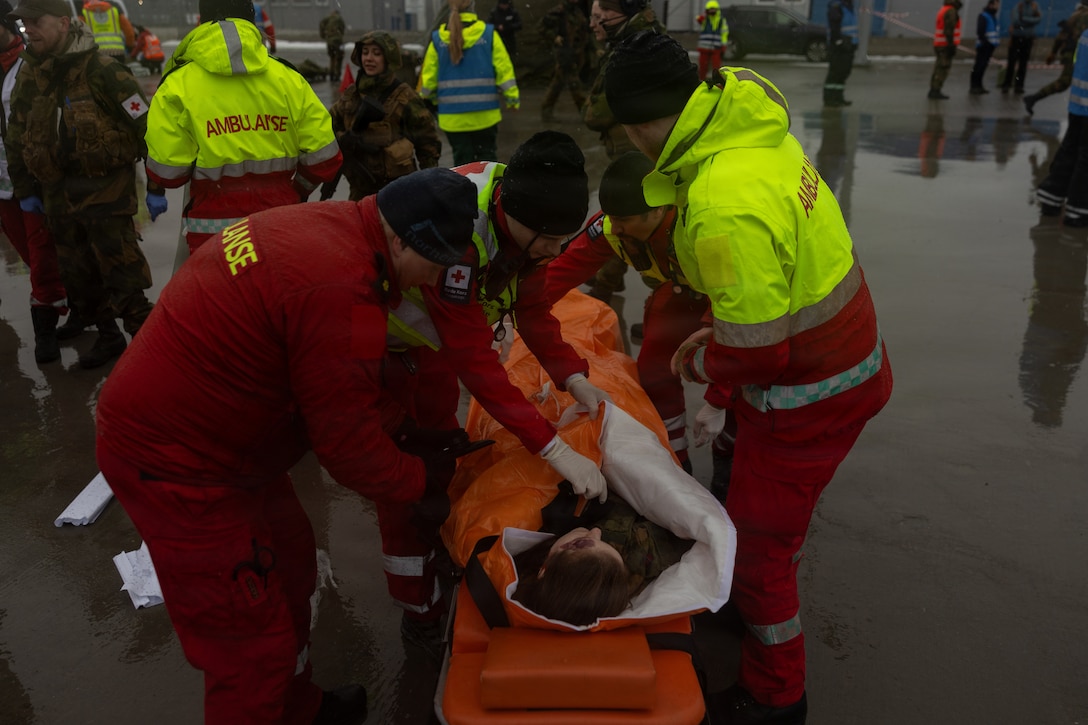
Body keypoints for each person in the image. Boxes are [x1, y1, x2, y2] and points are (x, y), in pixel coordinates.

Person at [94, 167, 480, 724]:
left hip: (231, 445)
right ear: (401, 239)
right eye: (435, 264)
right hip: (177, 464)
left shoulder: (349, 241)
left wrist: (405, 429)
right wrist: (422, 483)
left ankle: (296, 709)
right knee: (248, 644)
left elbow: (355, 378)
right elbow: (345, 447)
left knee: (293, 566)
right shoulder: (340, 286)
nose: (433, 280)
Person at [604, 31, 893, 723]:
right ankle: (742, 610)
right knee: (752, 532)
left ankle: (775, 696)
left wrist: (702, 359)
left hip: (809, 397)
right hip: (842, 364)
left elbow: (759, 353)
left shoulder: (721, 204)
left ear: (640, 126)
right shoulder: (744, 123)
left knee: (764, 559)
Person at [380, 131, 613, 643]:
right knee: (403, 478)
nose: (556, 252)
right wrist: (552, 448)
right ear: (514, 218)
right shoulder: (453, 232)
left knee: (444, 449)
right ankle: (419, 611)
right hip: (385, 351)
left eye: (562, 240)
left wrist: (571, 374)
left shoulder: (525, 213)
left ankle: (439, 542)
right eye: (549, 241)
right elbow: (477, 363)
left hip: (432, 347)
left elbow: (531, 307)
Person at [545, 151, 736, 487]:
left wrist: (718, 399)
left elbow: (740, 311)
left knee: (744, 379)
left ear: (660, 210)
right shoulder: (614, 226)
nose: (614, 228)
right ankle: (676, 463)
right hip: (680, 291)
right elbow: (558, 273)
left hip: (734, 298)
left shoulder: (707, 226)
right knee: (653, 370)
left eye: (624, 220)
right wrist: (504, 311)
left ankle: (728, 455)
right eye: (612, 218)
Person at [6, 0, 156, 369]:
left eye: (35, 22)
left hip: (106, 201)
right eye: (23, 24)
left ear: (62, 22)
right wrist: (25, 191)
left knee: (125, 283)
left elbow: (148, 129)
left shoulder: (104, 70)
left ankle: (155, 356)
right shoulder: (31, 73)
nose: (29, 30)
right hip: (57, 201)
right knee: (79, 280)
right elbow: (17, 134)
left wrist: (155, 188)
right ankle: (108, 338)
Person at [144, 0, 342, 254]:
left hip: (212, 236)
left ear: (202, 22)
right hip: (280, 226)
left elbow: (168, 173)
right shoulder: (289, 78)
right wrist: (296, 189)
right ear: (252, 21)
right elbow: (325, 159)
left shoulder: (177, 84)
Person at [580, 0, 664, 302]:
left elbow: (598, 114)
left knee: (636, 226)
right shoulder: (644, 39)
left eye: (599, 17)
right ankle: (610, 280)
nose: (593, 24)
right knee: (629, 222)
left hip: (637, 150)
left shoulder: (631, 49)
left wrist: (591, 107)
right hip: (638, 148)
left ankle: (667, 302)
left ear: (622, 15)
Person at [0, 0, 68, 363]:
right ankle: (66, 301)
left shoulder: (32, 65)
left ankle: (46, 330)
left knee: (41, 259)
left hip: (29, 181)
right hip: (2, 187)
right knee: (27, 254)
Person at [512, 493, 693, 626]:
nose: (597, 531)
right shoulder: (641, 559)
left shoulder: (519, 568)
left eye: (579, 543)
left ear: (544, 570)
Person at [326, 31, 440, 202]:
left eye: (376, 53)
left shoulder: (405, 97)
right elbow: (326, 127)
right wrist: (344, 139)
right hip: (359, 191)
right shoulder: (351, 95)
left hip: (399, 190)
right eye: (365, 53)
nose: (369, 58)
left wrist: (427, 185)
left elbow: (427, 143)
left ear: (388, 58)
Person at [419, 0, 519, 165]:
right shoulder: (488, 35)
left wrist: (428, 101)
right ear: (473, 7)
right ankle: (488, 191)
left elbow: (428, 81)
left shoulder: (437, 40)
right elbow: (504, 70)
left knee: (462, 164)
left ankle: (465, 190)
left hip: (452, 119)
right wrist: (512, 98)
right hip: (485, 116)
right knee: (487, 164)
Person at [1035, 28, 1088, 228]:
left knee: (1070, 150)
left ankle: (1051, 197)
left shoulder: (1085, 34)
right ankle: (1079, 210)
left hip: (1078, 105)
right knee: (1085, 159)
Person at [1024, 0, 1088, 115]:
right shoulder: (1085, 16)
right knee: (1064, 82)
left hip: (1071, 52)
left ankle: (1034, 98)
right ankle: (1033, 98)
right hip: (1075, 53)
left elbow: (1061, 36)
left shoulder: (1076, 14)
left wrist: (1053, 52)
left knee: (1068, 82)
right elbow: (1081, 37)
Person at [539, 0, 589, 122]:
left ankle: (546, 108)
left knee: (558, 82)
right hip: (564, 52)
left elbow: (585, 32)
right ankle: (586, 112)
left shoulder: (577, 12)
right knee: (574, 83)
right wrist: (554, 37)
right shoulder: (558, 12)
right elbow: (541, 27)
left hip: (576, 52)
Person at [1001, 0, 1042, 93]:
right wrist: (1030, 21)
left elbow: (1038, 19)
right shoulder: (1019, 6)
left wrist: (1023, 19)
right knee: (1011, 62)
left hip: (1028, 39)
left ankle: (1019, 86)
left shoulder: (1035, 7)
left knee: (1023, 64)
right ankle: (1007, 84)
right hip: (1016, 37)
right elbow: (1015, 21)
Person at [823, 0, 857, 107]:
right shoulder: (837, 7)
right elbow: (834, 26)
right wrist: (838, 41)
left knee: (843, 73)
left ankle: (838, 98)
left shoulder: (848, 7)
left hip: (848, 45)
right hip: (839, 46)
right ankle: (829, 99)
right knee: (835, 73)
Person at [928, 0, 962, 100]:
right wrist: (951, 44)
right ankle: (935, 89)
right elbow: (949, 29)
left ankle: (934, 89)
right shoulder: (951, 11)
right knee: (943, 68)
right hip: (945, 45)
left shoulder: (944, 9)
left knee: (939, 67)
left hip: (940, 44)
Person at [969, 0, 1000, 94]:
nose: (997, 7)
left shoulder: (992, 16)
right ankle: (974, 86)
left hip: (990, 45)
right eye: (996, 4)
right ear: (991, 5)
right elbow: (980, 31)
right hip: (984, 45)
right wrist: (985, 42)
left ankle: (979, 85)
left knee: (983, 66)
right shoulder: (984, 16)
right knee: (979, 66)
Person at [695, 0, 728, 83]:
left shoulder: (721, 20)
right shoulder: (705, 19)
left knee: (716, 68)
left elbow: (724, 33)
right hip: (704, 48)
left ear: (717, 10)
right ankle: (701, 82)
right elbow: (698, 19)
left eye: (713, 9)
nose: (712, 11)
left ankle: (717, 83)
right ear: (707, 10)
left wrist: (723, 45)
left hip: (716, 48)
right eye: (710, 9)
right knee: (703, 67)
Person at [318, 8, 345, 80]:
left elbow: (321, 23)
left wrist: (323, 35)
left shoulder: (328, 18)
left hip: (329, 41)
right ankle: (337, 74)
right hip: (337, 41)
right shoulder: (339, 18)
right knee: (339, 57)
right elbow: (342, 29)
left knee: (332, 57)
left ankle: (331, 73)